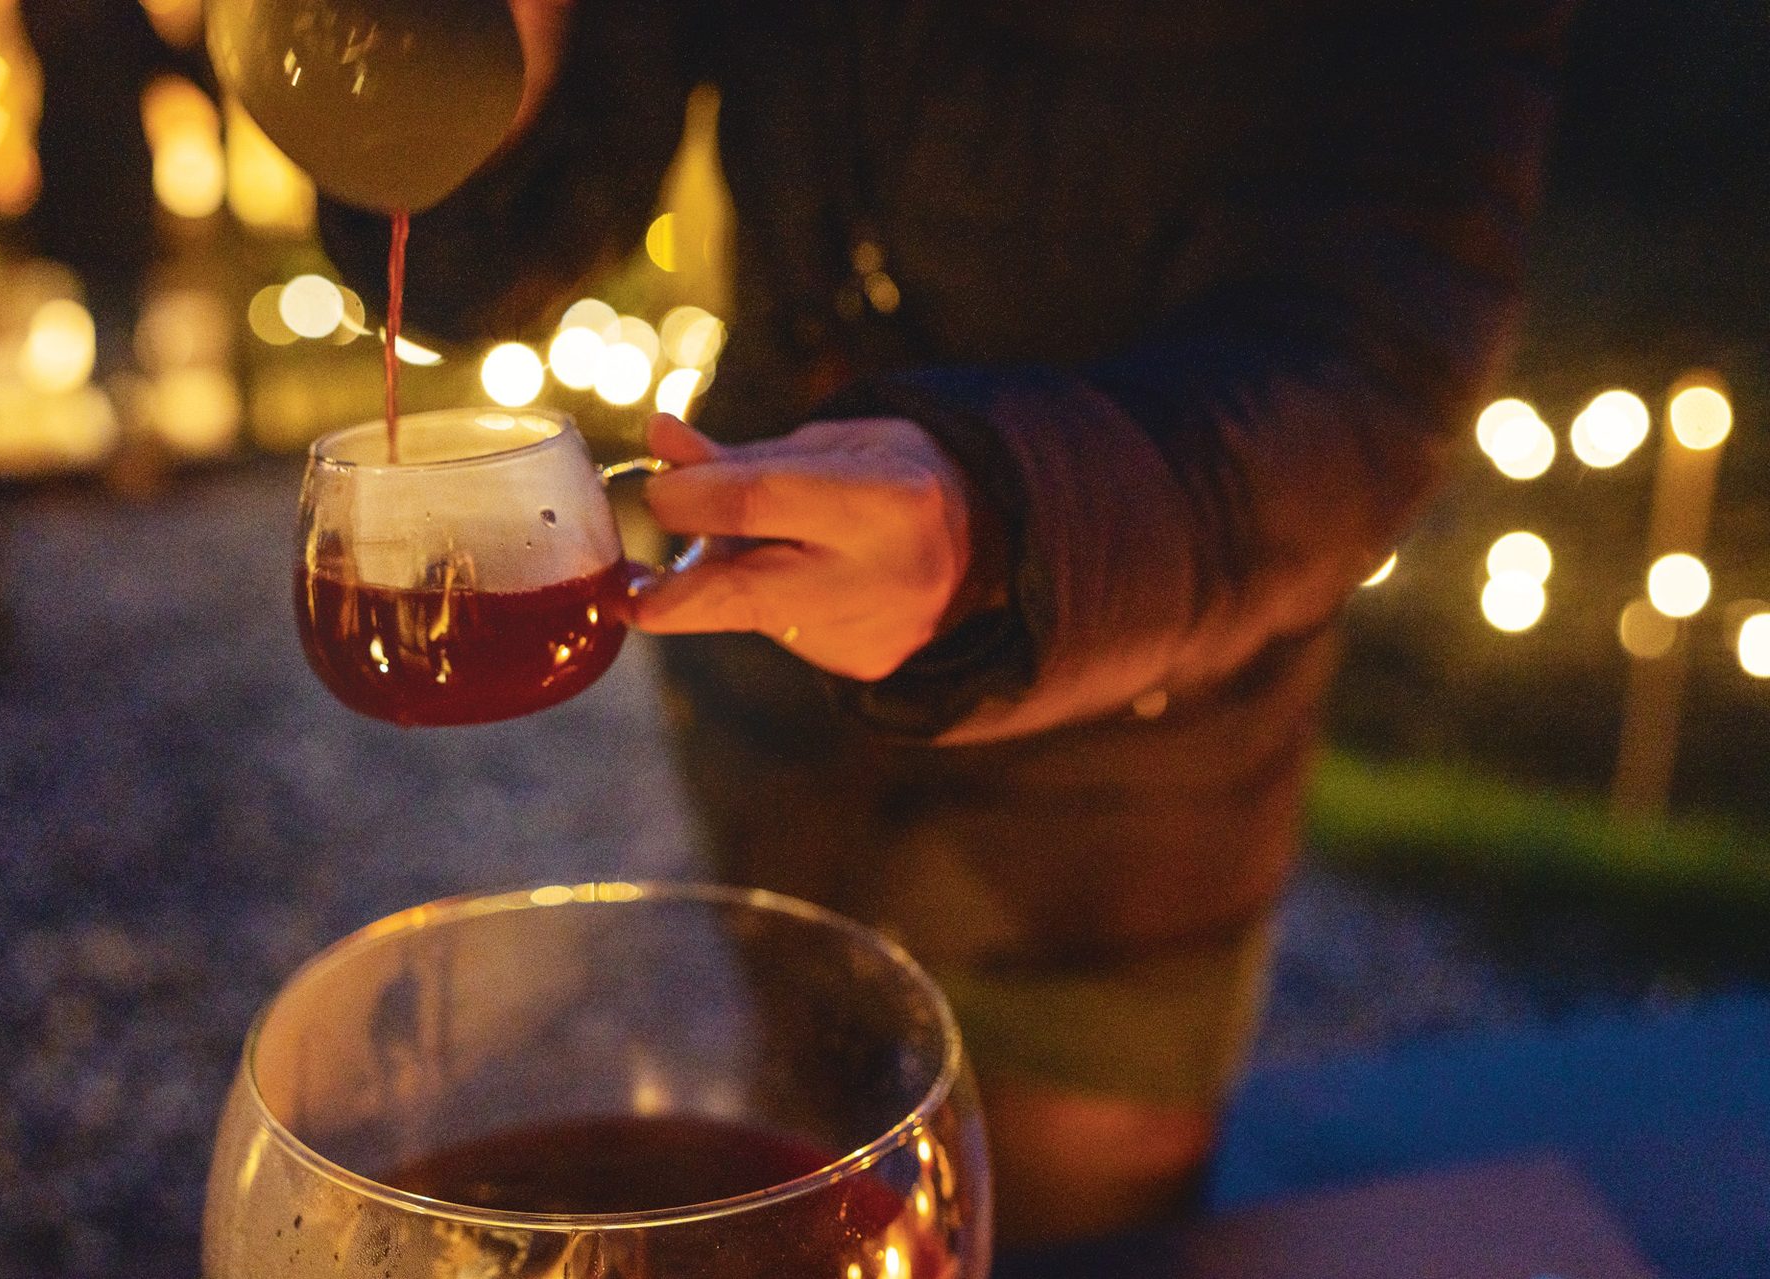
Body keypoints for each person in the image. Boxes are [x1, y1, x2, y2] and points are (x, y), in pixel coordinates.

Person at [326, 0, 1578, 1242]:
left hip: (1123, 779)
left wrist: (1004, 521)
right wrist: (490, 71)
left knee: (1058, 1229)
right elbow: (468, 259)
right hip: (771, 722)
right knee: (816, 1178)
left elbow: (1373, 362)